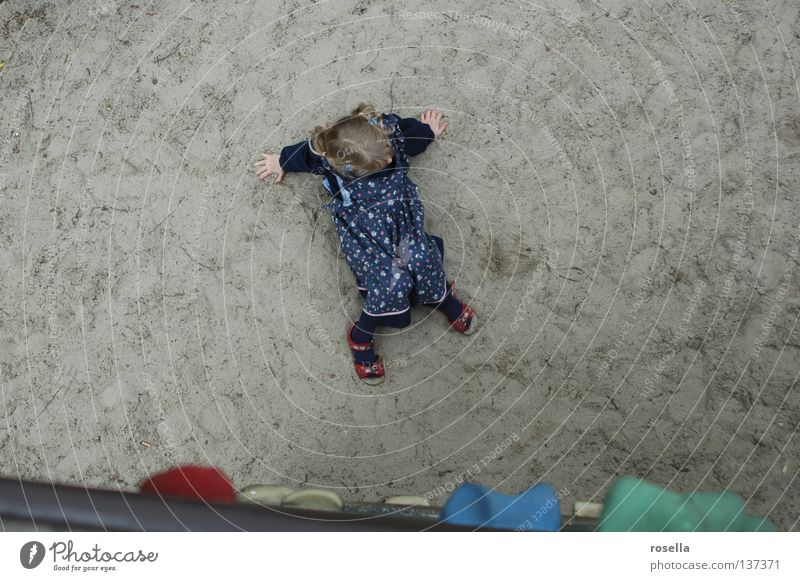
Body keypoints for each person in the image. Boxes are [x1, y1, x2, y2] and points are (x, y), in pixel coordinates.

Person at [255, 104, 476, 385]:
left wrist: (427, 131)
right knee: (390, 280)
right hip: (366, 235)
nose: (390, 158)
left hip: (401, 220)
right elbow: (305, 154)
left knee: (422, 257)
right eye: (382, 161)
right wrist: (281, 161)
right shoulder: (328, 157)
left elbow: (411, 139)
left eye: (388, 153)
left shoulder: (386, 134)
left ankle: (440, 296)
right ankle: (361, 333)